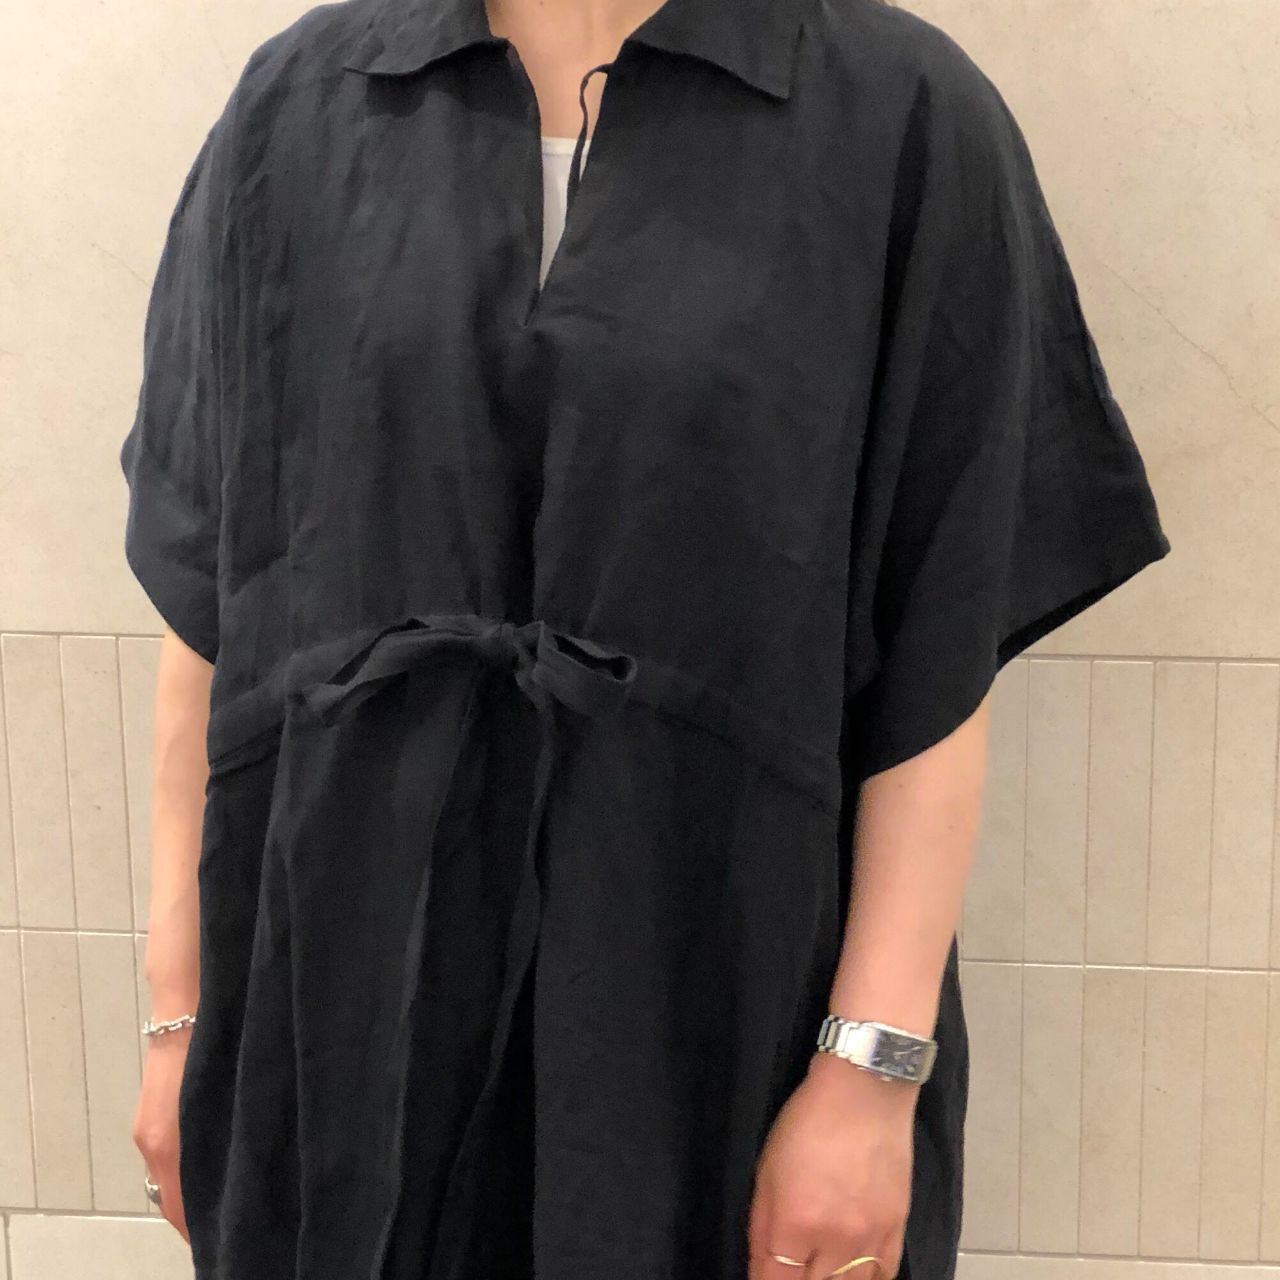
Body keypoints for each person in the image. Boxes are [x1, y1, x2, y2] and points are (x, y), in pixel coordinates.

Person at [120, 0, 1172, 1275]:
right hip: (344, 992)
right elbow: (210, 599)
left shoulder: (900, 114)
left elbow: (940, 641)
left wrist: (870, 1071)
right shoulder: (298, 104)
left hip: (723, 975)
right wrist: (179, 1017)